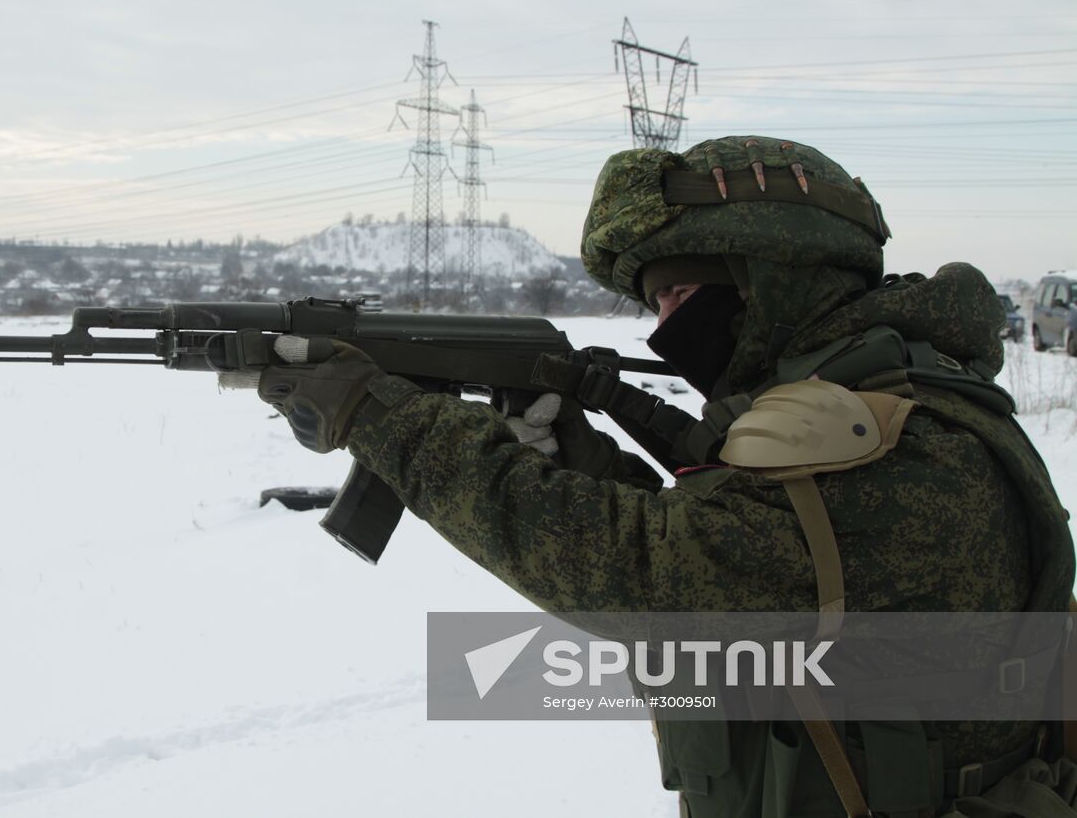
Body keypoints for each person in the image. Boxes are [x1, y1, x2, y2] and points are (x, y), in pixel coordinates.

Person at [253, 135, 1077, 817]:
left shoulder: (898, 451)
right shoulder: (901, 395)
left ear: (770, 276)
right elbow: (750, 552)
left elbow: (655, 575)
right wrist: (581, 458)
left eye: (680, 291)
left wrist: (384, 417)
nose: (667, 327)